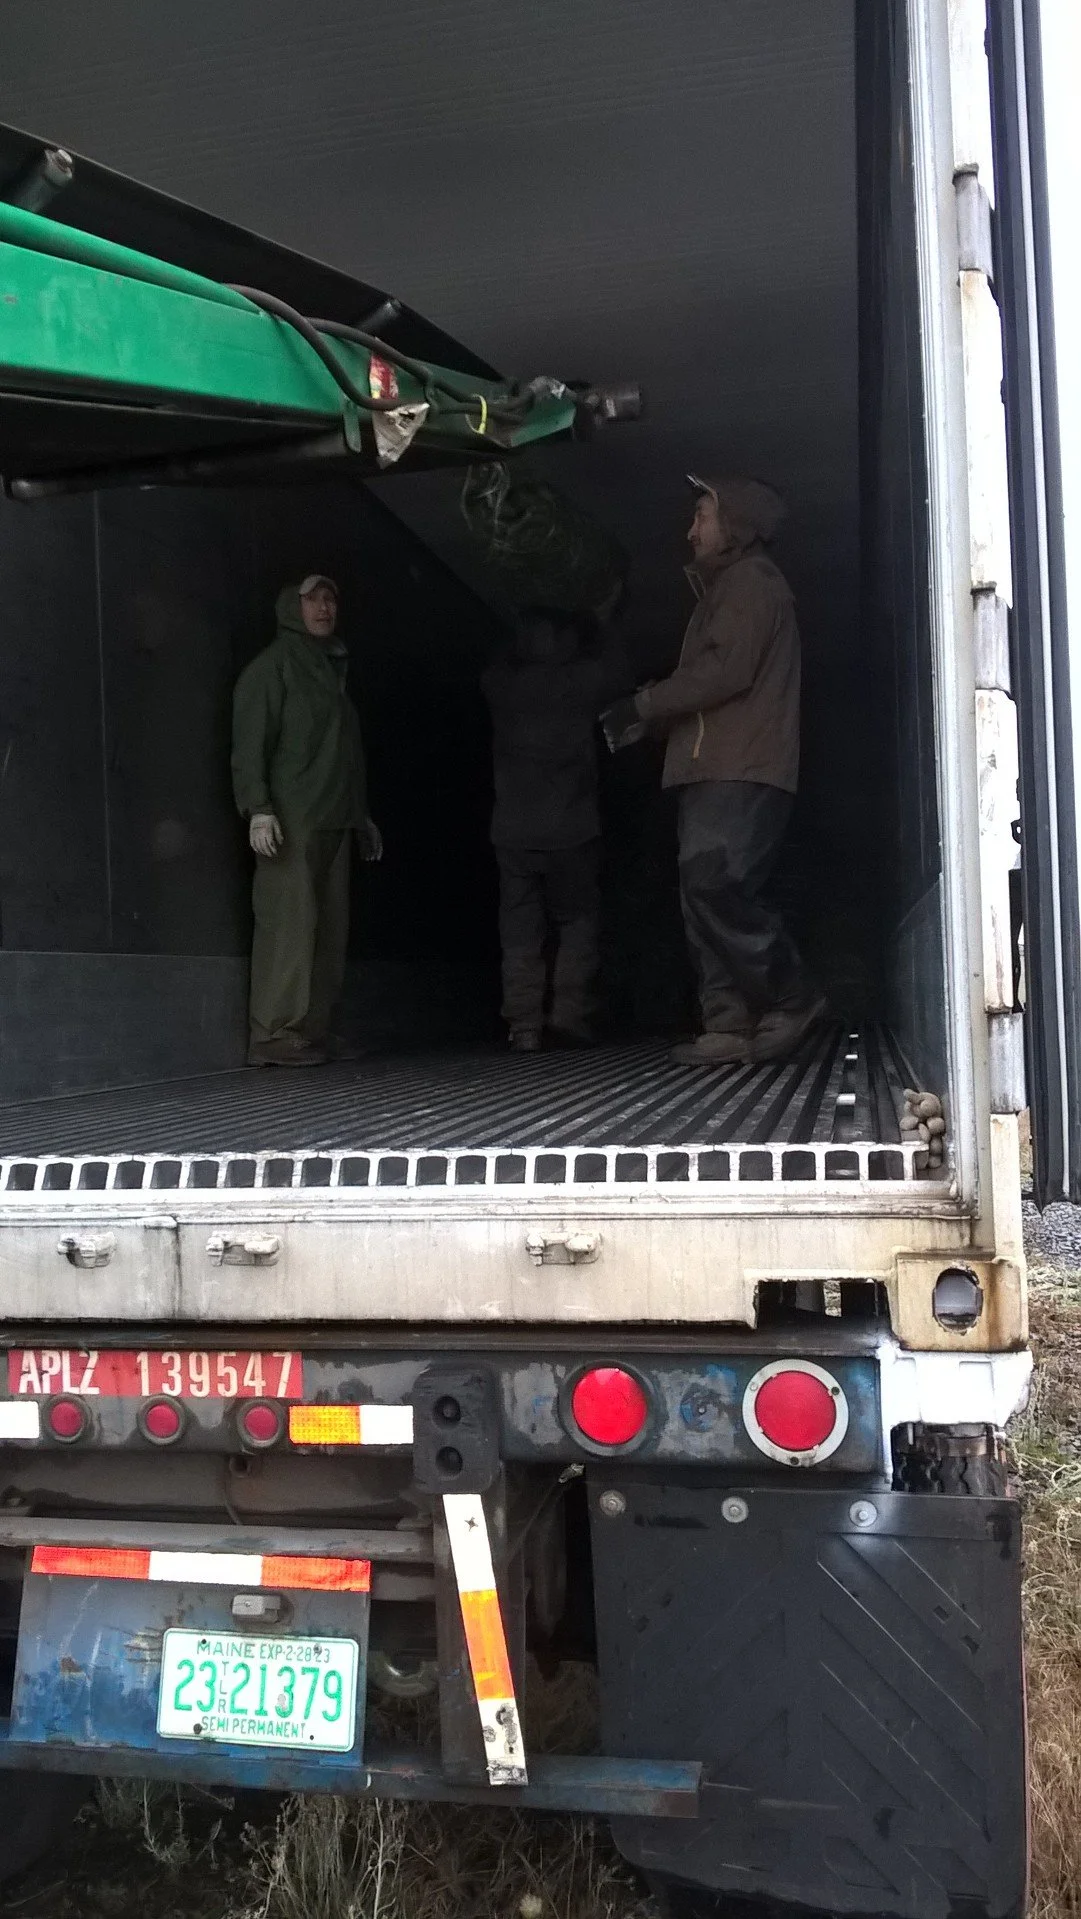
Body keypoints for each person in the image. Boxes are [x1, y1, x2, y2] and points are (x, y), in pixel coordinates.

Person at [604, 476, 824, 1066]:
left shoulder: (751, 583)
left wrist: (645, 705)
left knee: (715, 886)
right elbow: (713, 680)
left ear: (736, 527)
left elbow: (725, 673)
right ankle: (727, 1023)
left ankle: (791, 995)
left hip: (741, 766)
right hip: (713, 766)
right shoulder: (728, 589)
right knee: (699, 898)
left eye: (702, 516)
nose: (690, 531)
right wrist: (654, 714)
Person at [231, 575, 382, 1067]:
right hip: (293, 821)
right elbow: (249, 743)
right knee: (288, 925)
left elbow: (345, 754)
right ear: (290, 607)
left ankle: (312, 1030)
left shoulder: (332, 672)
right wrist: (258, 808)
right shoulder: (272, 668)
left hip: (334, 817)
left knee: (330, 930)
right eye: (312, 599)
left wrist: (361, 816)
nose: (324, 608)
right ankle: (273, 1033)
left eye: (330, 599)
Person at [481, 606, 625, 1053]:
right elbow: (620, 673)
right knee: (577, 921)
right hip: (572, 828)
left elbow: (488, 668)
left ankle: (524, 1025)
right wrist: (602, 616)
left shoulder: (502, 684)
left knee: (520, 929)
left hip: (513, 830)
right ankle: (570, 1014)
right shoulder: (582, 680)